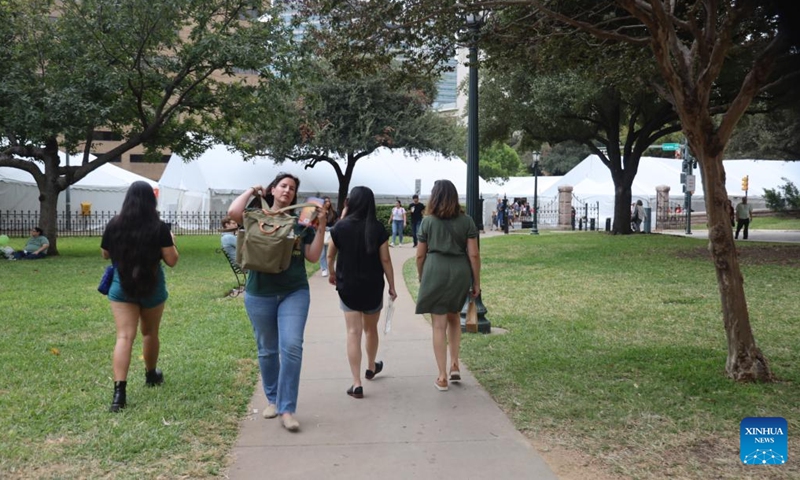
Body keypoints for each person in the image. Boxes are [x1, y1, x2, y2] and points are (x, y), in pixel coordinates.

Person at [227, 173, 326, 432]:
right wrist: (251, 189)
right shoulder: (255, 214)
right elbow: (232, 212)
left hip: (294, 291)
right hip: (259, 292)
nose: (287, 191)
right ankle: (272, 398)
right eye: (283, 186)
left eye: (292, 188)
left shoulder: (301, 221)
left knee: (291, 347)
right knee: (267, 350)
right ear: (272, 190)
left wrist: (322, 225)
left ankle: (287, 408)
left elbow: (313, 257)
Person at [101, 181, 179, 412]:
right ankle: (151, 374)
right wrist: (172, 240)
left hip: (121, 286)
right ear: (151, 201)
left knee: (124, 337)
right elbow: (172, 260)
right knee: (150, 332)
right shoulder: (160, 227)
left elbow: (105, 254)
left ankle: (119, 394)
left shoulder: (115, 224)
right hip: (152, 286)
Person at [326, 186, 397, 399]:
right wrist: (392, 286)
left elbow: (330, 256)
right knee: (370, 330)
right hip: (373, 286)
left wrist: (332, 274)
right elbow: (385, 259)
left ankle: (356, 383)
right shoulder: (377, 228)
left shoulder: (340, 227)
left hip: (348, 286)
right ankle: (371, 367)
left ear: (351, 202)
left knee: (352, 333)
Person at [415, 180, 481, 392]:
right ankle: (454, 364)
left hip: (435, 270)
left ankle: (442, 376)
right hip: (459, 272)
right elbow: (473, 254)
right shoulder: (467, 221)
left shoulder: (427, 222)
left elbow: (419, 255)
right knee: (454, 317)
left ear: (434, 196)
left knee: (438, 324)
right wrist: (476, 281)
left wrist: (421, 275)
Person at [319, 196, 338, 277]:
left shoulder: (333, 213)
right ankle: (324, 269)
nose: (328, 203)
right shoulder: (319, 212)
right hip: (321, 234)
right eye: (326, 201)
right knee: (322, 253)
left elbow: (337, 223)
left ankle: (330, 268)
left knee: (329, 253)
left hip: (330, 235)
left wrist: (330, 228)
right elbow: (315, 224)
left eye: (329, 201)